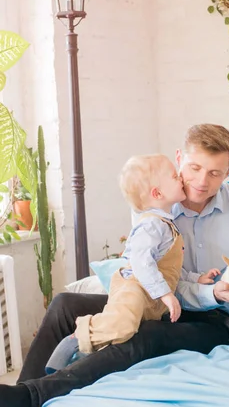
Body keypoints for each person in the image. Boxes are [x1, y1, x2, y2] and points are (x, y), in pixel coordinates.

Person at [0, 124, 229, 407]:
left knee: (143, 335)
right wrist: (203, 288)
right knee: (64, 305)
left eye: (215, 173)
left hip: (218, 317)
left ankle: (29, 399)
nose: (202, 181)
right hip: (161, 301)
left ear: (228, 173)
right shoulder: (155, 204)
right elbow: (153, 275)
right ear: (179, 159)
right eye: (194, 168)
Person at [46, 153, 191, 373]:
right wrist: (166, 294)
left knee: (127, 333)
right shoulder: (152, 225)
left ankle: (83, 357)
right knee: (122, 326)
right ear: (157, 193)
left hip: (148, 295)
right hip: (134, 286)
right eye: (174, 176)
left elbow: (171, 267)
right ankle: (76, 339)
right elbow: (141, 262)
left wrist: (200, 278)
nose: (180, 177)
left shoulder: (166, 224)